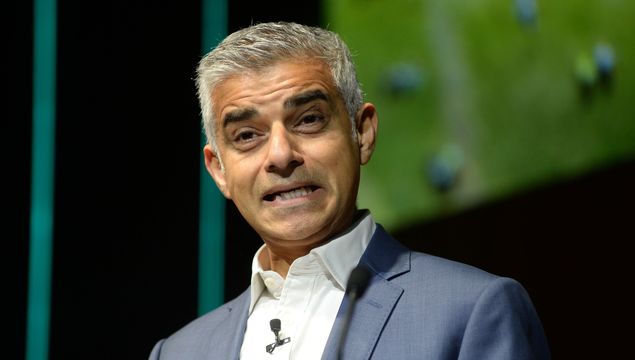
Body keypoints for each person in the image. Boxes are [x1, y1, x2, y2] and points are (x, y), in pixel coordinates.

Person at [149, 22, 550, 360]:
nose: (280, 155)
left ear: (362, 133)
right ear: (218, 170)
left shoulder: (470, 311)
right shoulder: (179, 352)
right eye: (247, 135)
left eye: (308, 119)